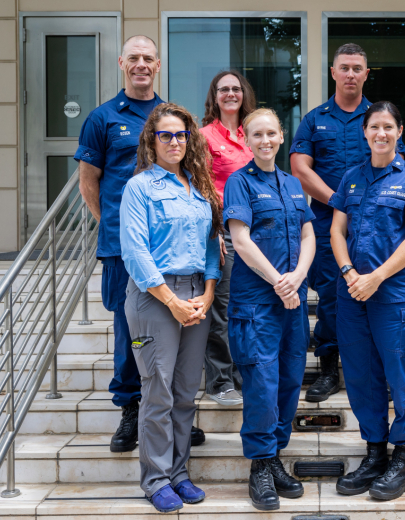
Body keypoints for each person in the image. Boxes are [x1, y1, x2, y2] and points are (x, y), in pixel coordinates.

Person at [75, 35, 205, 451]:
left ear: (158, 65)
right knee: (129, 328)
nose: (141, 64)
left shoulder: (172, 116)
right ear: (121, 63)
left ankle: (170, 411)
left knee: (177, 334)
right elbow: (88, 182)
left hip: (173, 249)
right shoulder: (103, 118)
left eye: (148, 58)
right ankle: (132, 408)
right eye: (134, 58)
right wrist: (119, 231)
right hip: (122, 248)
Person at [329, 101, 405, 501]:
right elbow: (337, 232)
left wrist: (375, 276)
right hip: (352, 294)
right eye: (374, 126)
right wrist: (350, 273)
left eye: (388, 127)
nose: (381, 134)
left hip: (394, 296)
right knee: (360, 377)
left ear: (399, 130)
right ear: (365, 131)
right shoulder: (351, 177)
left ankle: (402, 459)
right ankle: (375, 453)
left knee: (400, 377)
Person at [120, 102, 222, 513]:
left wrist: (209, 293)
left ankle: (179, 473)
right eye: (166, 135)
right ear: (152, 140)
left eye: (181, 134)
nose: (175, 141)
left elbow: (212, 246)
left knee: (184, 394)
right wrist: (172, 302)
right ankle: (156, 478)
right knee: (158, 393)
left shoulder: (197, 189)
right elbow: (135, 250)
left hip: (196, 295)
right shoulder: (140, 187)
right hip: (155, 298)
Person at [291, 43, 404, 403]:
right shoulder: (314, 119)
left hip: (381, 227)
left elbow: (397, 164)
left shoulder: (378, 118)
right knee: (331, 296)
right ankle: (328, 370)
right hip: (329, 226)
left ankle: (379, 368)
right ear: (333, 72)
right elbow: (299, 168)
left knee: (380, 291)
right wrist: (340, 203)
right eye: (345, 68)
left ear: (366, 74)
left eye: (358, 68)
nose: (351, 74)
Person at [224, 108, 316, 511]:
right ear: (246, 139)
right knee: (262, 384)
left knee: (290, 379)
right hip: (258, 303)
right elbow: (240, 241)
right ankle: (260, 466)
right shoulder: (238, 183)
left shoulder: (294, 185)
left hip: (292, 301)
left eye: (271, 134)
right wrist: (280, 281)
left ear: (282, 137)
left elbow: (310, 233)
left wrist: (297, 275)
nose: (264, 141)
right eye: (256, 134)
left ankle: (275, 455)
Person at [199, 71, 255, 406]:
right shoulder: (204, 135)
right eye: (224, 89)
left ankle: (243, 375)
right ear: (215, 95)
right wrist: (213, 230)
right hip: (224, 233)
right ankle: (220, 381)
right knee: (221, 309)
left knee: (248, 308)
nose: (231, 94)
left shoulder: (253, 133)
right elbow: (201, 186)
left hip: (255, 234)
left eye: (236, 89)